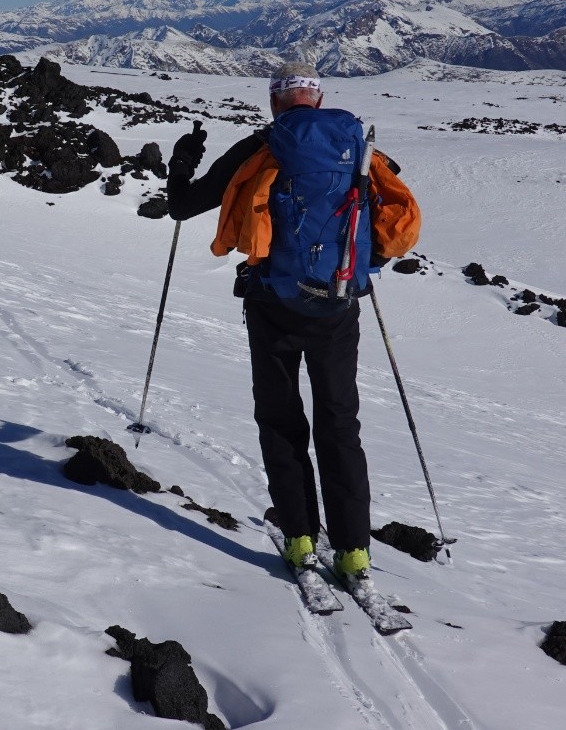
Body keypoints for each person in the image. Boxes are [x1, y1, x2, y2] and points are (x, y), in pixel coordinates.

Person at [166, 63, 416, 583]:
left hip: (273, 306)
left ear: (275, 102)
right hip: (339, 308)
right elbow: (393, 220)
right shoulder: (360, 151)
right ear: (319, 101)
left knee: (281, 422)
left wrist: (182, 161)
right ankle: (354, 553)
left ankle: (300, 539)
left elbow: (182, 206)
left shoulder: (261, 148)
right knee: (340, 426)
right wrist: (363, 267)